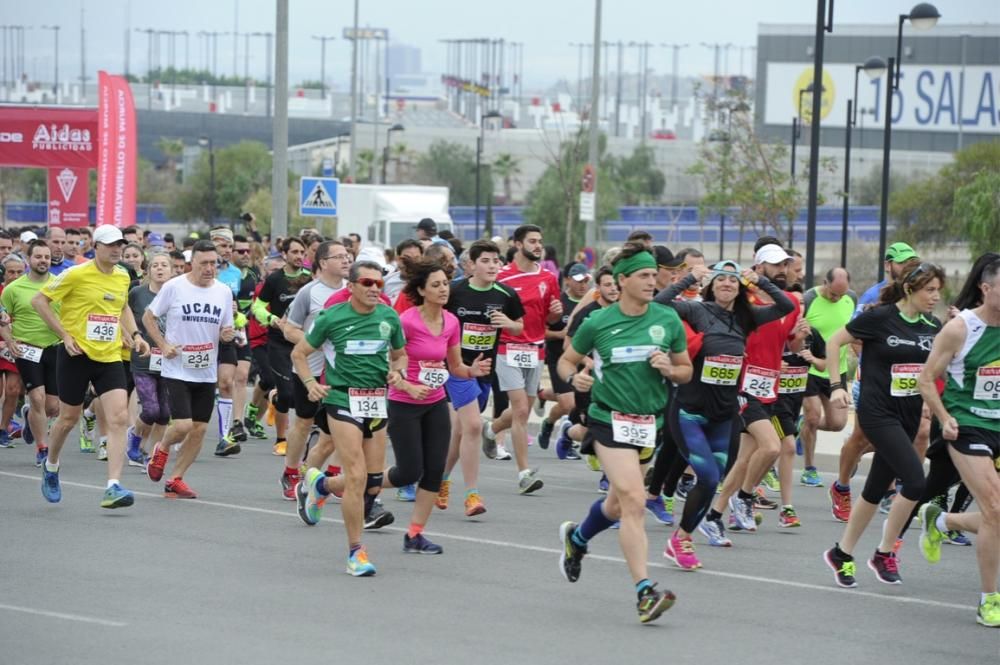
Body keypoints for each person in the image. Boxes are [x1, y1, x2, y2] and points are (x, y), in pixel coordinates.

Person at [556, 242, 691, 624]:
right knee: (633, 500)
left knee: (616, 505)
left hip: (650, 424)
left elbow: (686, 371)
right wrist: (576, 378)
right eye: (645, 276)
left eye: (654, 275)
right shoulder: (598, 323)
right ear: (623, 280)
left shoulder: (667, 320)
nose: (653, 281)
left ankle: (577, 539)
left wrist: (670, 368)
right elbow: (566, 361)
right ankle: (644, 592)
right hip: (608, 420)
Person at [656, 259, 795, 567]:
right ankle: (683, 537)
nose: (727, 284)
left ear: (739, 288)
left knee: (712, 479)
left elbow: (785, 306)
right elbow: (658, 302)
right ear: (710, 285)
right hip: (690, 411)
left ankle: (681, 538)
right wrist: (689, 278)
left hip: (723, 414)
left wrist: (759, 281)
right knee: (706, 476)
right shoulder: (697, 310)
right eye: (720, 279)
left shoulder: (747, 317)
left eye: (733, 280)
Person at [353, 257, 491, 553]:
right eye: (436, 285)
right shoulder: (406, 322)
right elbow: (388, 363)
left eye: (445, 284)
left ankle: (414, 535)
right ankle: (333, 486)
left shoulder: (451, 322)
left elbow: (454, 366)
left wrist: (472, 371)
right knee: (408, 472)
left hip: (436, 402)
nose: (444, 290)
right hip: (404, 403)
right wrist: (406, 384)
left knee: (433, 470)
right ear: (422, 290)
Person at [822, 262, 944, 587]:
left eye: (938, 291)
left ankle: (842, 554)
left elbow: (935, 373)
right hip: (877, 413)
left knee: (875, 490)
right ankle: (885, 552)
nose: (935, 297)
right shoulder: (880, 317)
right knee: (916, 482)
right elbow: (834, 342)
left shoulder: (932, 326)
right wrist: (836, 387)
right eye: (929, 290)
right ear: (910, 288)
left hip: (907, 415)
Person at [291, 260, 407, 577]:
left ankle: (320, 484)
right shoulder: (332, 316)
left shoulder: (388, 317)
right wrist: (311, 384)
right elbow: (299, 354)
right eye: (367, 283)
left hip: (375, 402)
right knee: (355, 476)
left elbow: (400, 355)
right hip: (341, 398)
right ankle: (356, 551)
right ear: (352, 286)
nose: (374, 289)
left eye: (378, 284)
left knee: (371, 481)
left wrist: (398, 371)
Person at [33, 225, 150, 509]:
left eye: (119, 244)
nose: (116, 249)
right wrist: (65, 334)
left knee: (119, 417)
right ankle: (51, 465)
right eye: (109, 245)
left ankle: (113, 486)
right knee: (67, 419)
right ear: (94, 246)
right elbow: (39, 301)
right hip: (76, 355)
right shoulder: (76, 274)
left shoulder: (123, 275)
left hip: (109, 356)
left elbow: (122, 307)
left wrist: (134, 334)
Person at [915, 254, 1000, 627]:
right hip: (966, 424)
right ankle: (989, 599)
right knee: (995, 508)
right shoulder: (960, 329)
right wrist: (944, 417)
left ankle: (943, 520)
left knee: (997, 515)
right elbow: (925, 378)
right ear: (986, 288)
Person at [706, 243, 803, 536]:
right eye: (775, 265)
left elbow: (791, 344)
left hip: (770, 385)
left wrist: (800, 338)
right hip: (743, 385)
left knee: (746, 458)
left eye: (785, 265)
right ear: (758, 268)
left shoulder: (791, 302)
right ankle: (745, 497)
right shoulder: (742, 300)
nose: (782, 270)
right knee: (772, 446)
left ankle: (715, 513)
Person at [830, 242, 921, 521]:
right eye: (903, 262)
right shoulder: (874, 294)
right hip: (873, 381)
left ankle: (891, 490)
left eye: (912, 263)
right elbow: (854, 336)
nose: (908, 267)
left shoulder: (918, 296)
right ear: (888, 265)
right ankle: (842, 487)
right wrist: (873, 364)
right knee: (861, 439)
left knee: (910, 435)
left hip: (905, 383)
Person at [143, 240, 236, 498]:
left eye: (213, 263)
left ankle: (175, 478)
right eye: (204, 263)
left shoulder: (223, 292)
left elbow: (225, 331)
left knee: (200, 430)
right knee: (183, 426)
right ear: (191, 263)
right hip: (177, 369)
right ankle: (161, 448)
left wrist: (227, 335)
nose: (209, 268)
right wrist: (162, 344)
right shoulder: (174, 287)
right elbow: (148, 317)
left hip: (206, 370)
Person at [439, 240, 524, 516]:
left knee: (462, 431)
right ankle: (472, 495)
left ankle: (440, 480)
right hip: (455, 368)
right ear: (471, 264)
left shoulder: (506, 294)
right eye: (485, 261)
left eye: (496, 261)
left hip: (484, 371)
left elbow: (520, 326)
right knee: (474, 426)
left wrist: (509, 325)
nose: (492, 266)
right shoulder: (454, 291)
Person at [482, 224, 562, 493]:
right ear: (517, 244)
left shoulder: (549, 278)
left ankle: (492, 430)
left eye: (540, 241)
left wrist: (555, 312)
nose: (538, 245)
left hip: (535, 348)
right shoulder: (501, 277)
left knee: (522, 411)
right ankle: (524, 473)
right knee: (519, 410)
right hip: (507, 348)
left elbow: (550, 318)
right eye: (532, 241)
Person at [278, 240, 350, 499]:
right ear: (323, 263)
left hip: (340, 373)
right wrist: (313, 343)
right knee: (304, 423)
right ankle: (291, 471)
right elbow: (288, 329)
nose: (346, 260)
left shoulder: (353, 291)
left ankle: (329, 474)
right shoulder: (309, 292)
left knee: (338, 428)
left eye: (347, 255)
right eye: (339, 256)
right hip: (308, 369)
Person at [0, 240, 61, 466]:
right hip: (27, 349)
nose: (43, 260)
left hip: (54, 348)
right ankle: (42, 448)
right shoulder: (13, 289)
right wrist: (9, 341)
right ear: (29, 260)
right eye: (38, 257)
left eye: (46, 257)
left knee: (52, 407)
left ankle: (29, 417)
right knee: (37, 398)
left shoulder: (59, 285)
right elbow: (3, 319)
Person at [251, 237, 311, 456]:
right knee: (286, 394)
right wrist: (272, 319)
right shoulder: (275, 279)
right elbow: (257, 307)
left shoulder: (309, 279)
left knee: (303, 394)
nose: (298, 256)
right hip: (278, 343)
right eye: (294, 252)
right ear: (284, 254)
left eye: (301, 252)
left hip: (304, 342)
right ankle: (281, 439)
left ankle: (275, 400)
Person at [798, 267, 857, 486]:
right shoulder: (809, 298)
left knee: (837, 423)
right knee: (813, 416)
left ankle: (800, 427)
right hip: (810, 367)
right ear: (825, 282)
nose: (837, 298)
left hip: (836, 369)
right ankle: (809, 468)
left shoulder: (851, 298)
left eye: (841, 295)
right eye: (833, 294)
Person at [124, 251, 173, 469]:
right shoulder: (137, 293)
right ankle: (134, 441)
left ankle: (153, 456)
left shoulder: (177, 294)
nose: (160, 269)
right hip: (143, 358)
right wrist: (128, 336)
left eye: (164, 265)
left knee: (164, 414)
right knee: (151, 409)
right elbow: (121, 313)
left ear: (171, 270)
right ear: (149, 270)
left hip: (169, 359)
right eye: (156, 265)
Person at [538, 262, 591, 457]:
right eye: (578, 281)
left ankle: (548, 417)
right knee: (570, 405)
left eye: (586, 281)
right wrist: (561, 335)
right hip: (559, 359)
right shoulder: (558, 303)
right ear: (567, 280)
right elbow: (541, 331)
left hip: (584, 360)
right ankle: (567, 438)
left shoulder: (593, 302)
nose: (583, 285)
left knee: (571, 402)